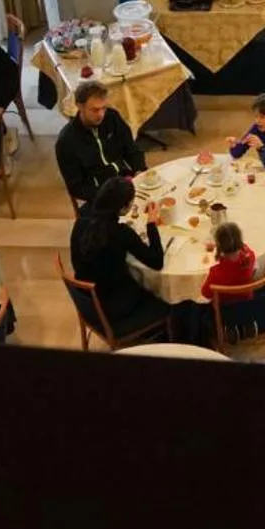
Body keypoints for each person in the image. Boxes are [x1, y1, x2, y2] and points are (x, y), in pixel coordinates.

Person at [68, 176, 174, 342]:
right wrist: (151, 223)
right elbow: (156, 261)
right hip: (114, 305)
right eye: (130, 203)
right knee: (163, 293)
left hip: (86, 299)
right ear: (123, 207)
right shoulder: (120, 233)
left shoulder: (81, 221)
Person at [55, 80, 147, 207]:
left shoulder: (112, 118)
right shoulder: (66, 141)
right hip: (98, 196)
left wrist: (139, 170)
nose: (101, 115)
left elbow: (132, 149)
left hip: (125, 182)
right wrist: (107, 195)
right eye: (94, 110)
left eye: (103, 108)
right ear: (79, 106)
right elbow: (76, 187)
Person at [201, 221, 257, 296]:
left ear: (219, 245)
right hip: (248, 299)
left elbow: (205, 293)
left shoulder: (215, 272)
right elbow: (245, 248)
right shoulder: (251, 255)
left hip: (225, 303)